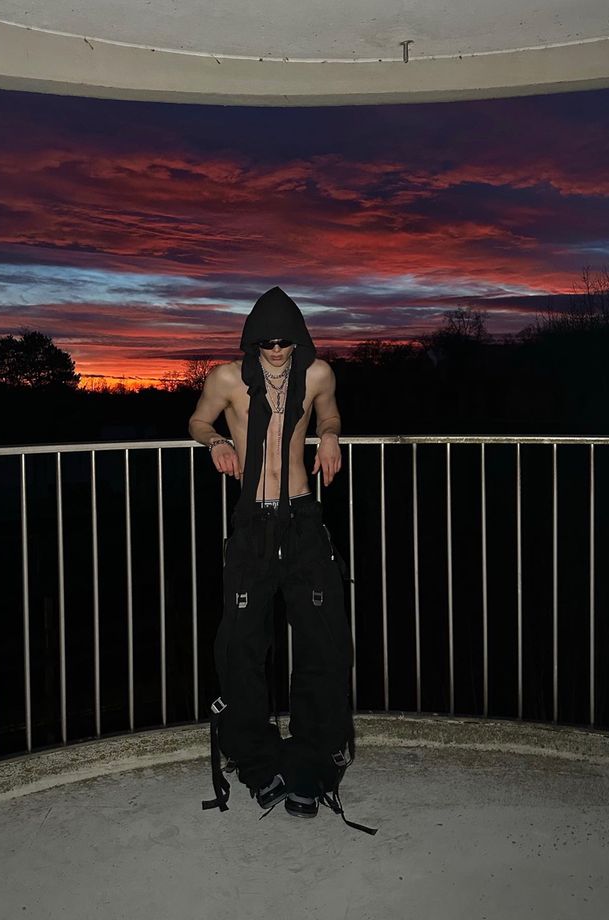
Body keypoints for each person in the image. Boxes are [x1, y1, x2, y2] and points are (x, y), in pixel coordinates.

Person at [190, 286, 377, 834]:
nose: (275, 351)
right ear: (252, 340)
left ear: (299, 339)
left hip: (300, 517)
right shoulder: (225, 379)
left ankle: (315, 762)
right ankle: (255, 759)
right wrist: (215, 442)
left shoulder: (317, 374)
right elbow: (198, 420)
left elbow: (331, 414)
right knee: (241, 644)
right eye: (266, 342)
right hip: (251, 523)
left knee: (322, 638)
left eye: (284, 341)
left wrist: (330, 436)